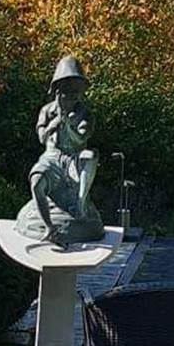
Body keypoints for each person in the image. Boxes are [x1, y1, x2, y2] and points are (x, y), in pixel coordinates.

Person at [17, 55, 104, 245]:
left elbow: (81, 138)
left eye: (77, 90)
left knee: (91, 156)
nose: (73, 95)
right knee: (36, 182)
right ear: (58, 90)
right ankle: (49, 227)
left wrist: (69, 125)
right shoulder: (47, 111)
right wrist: (56, 123)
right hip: (51, 157)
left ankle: (80, 205)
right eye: (68, 90)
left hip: (74, 157)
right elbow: (42, 138)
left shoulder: (84, 113)